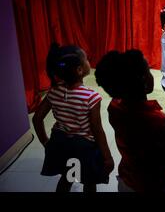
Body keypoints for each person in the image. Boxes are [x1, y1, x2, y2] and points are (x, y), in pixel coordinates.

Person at [32, 43, 114, 192]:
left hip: (62, 143)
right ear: (80, 70)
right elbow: (97, 130)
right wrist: (107, 157)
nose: (89, 62)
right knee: (89, 182)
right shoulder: (91, 97)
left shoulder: (53, 91)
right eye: (87, 60)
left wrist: (46, 142)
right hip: (84, 148)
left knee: (68, 177)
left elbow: (37, 119)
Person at [95, 49, 165, 192]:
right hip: (153, 185)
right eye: (148, 70)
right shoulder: (157, 120)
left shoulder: (115, 107)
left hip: (126, 179)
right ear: (143, 80)